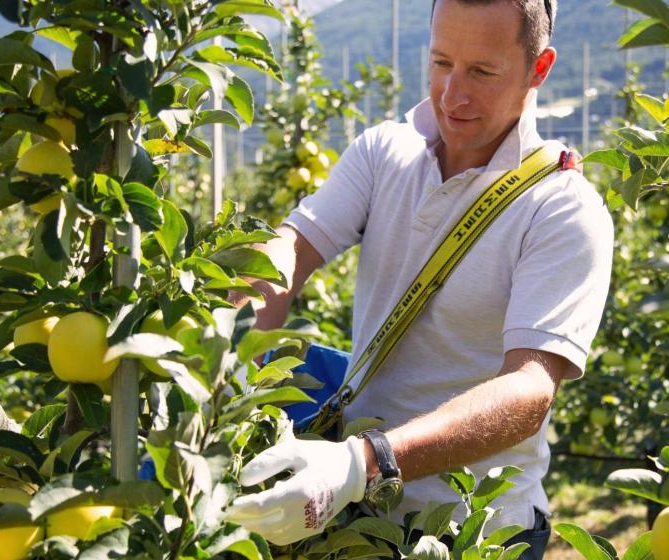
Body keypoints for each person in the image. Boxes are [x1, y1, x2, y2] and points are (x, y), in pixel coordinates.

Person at [226, 0, 614, 556]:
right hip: (354, 516)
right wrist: (230, 336)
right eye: (441, 62)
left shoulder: (561, 208)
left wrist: (367, 462)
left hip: (476, 530)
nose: (453, 94)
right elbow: (293, 249)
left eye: (482, 71)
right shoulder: (385, 151)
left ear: (539, 68)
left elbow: (529, 389)